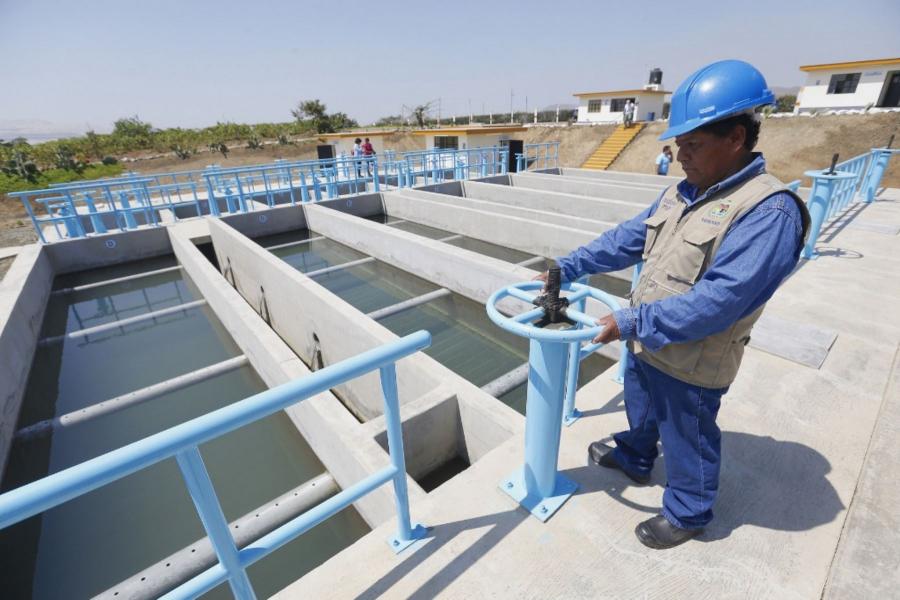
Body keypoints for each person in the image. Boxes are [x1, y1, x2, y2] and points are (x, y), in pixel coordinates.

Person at [535, 60, 810, 550]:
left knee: (687, 434)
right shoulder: (684, 192)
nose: (680, 155)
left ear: (736, 138)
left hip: (694, 359)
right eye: (678, 144)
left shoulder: (769, 211)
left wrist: (631, 320)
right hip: (648, 340)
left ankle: (689, 512)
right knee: (641, 405)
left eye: (692, 145)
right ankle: (636, 456)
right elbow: (628, 239)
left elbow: (720, 301)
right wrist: (568, 265)